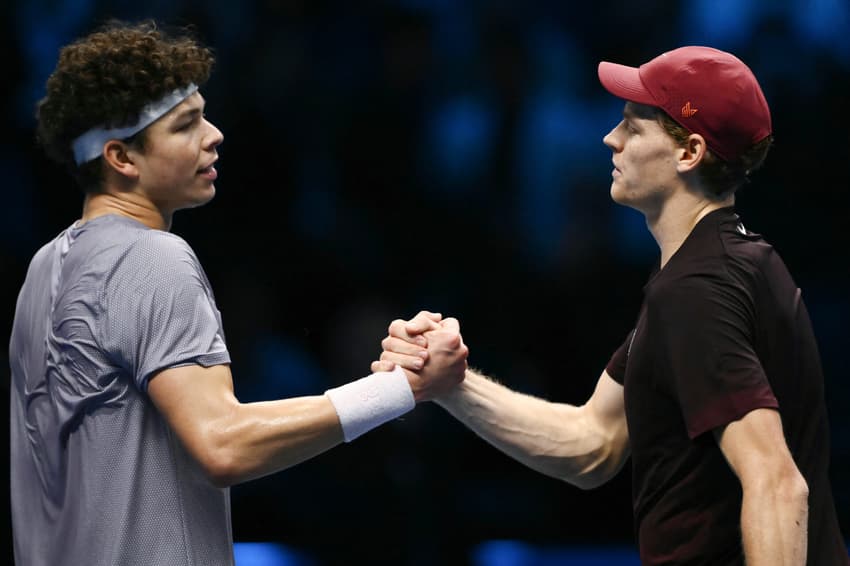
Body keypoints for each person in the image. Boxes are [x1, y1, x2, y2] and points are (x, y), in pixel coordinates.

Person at [9, 20, 468, 566]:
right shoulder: (152, 257)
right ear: (122, 158)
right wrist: (401, 391)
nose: (214, 134)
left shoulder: (44, 269)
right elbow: (222, 445)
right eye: (186, 125)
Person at [376, 46, 849, 565]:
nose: (610, 139)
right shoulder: (727, 263)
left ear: (689, 152)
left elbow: (778, 484)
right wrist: (450, 385)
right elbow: (592, 444)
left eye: (634, 126)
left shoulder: (697, 289)